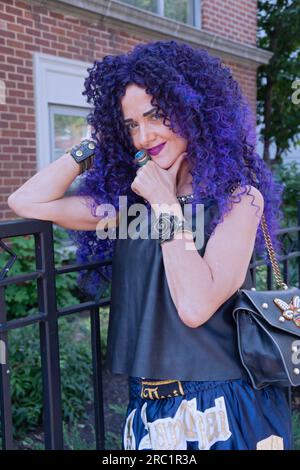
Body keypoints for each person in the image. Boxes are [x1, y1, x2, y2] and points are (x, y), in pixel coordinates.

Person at [7, 40, 293, 450]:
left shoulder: (238, 198)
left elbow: (195, 306)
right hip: (148, 408)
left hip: (221, 408)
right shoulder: (129, 201)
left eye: (156, 116)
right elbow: (26, 201)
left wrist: (164, 202)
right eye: (130, 126)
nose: (143, 136)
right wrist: (97, 144)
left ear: (193, 108)